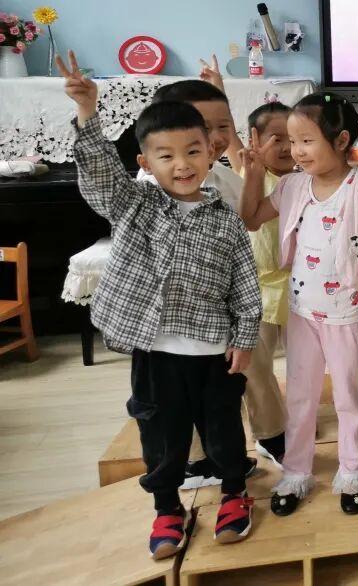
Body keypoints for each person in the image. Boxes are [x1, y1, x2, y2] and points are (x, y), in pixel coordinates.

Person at [56, 51, 259, 559]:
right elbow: (101, 175)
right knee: (162, 436)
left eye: (192, 151)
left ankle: (235, 493)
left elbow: (244, 283)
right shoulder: (134, 204)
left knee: (223, 432)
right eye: (166, 156)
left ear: (210, 153)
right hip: (154, 351)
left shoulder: (225, 218)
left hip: (214, 352)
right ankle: (167, 507)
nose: (182, 164)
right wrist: (87, 110)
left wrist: (245, 337)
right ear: (146, 164)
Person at [241, 93, 358, 517]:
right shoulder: (291, 186)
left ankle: (354, 471)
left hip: (347, 314)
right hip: (302, 312)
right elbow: (250, 218)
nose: (296, 151)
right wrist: (254, 173)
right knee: (300, 397)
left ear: (341, 140)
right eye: (292, 142)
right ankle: (296, 472)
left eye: (306, 141)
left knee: (349, 397)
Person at [146, 72, 271, 486]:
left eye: (224, 126)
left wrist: (254, 176)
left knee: (218, 395)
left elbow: (247, 221)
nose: (216, 138)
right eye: (205, 126)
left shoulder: (219, 176)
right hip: (167, 323)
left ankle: (225, 461)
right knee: (175, 400)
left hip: (218, 311)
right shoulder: (152, 187)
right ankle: (193, 463)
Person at [235, 101, 296, 463]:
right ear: (255, 140)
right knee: (255, 365)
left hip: (298, 287)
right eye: (277, 138)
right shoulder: (249, 173)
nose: (287, 147)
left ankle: (296, 416)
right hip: (254, 289)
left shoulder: (305, 178)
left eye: (294, 137)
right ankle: (271, 433)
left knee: (303, 363)